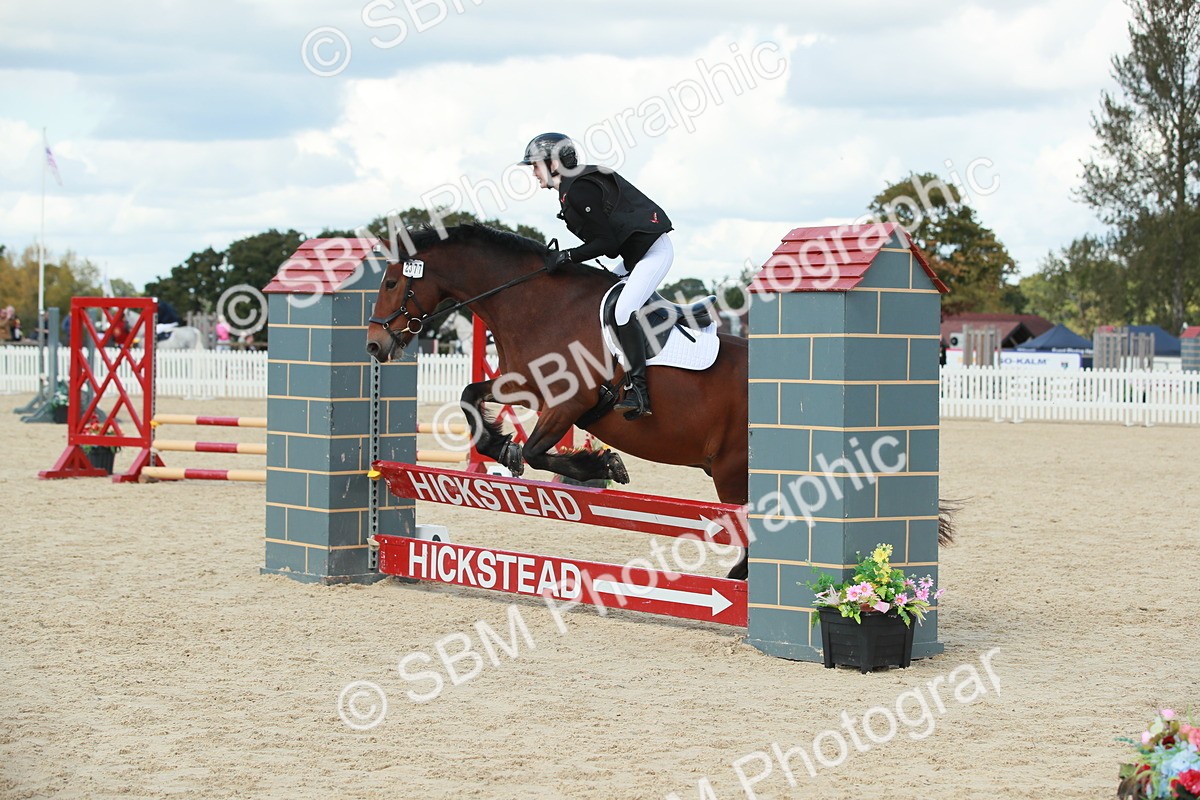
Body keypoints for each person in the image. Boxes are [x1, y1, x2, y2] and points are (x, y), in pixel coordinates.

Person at [521, 132, 673, 420]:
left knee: (623, 310)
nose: (533, 173)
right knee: (598, 300)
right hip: (633, 258)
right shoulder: (569, 189)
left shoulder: (578, 190)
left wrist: (567, 256)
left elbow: (608, 245)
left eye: (535, 165)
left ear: (554, 163)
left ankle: (640, 392)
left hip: (653, 252)